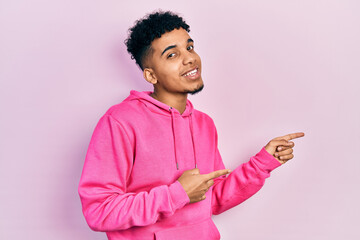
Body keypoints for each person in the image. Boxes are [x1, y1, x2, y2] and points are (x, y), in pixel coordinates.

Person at [78, 10, 305, 240]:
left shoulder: (204, 124)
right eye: (171, 55)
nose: (190, 58)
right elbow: (98, 211)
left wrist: (262, 163)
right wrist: (177, 194)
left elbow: (212, 199)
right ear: (151, 75)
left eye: (189, 47)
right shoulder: (120, 121)